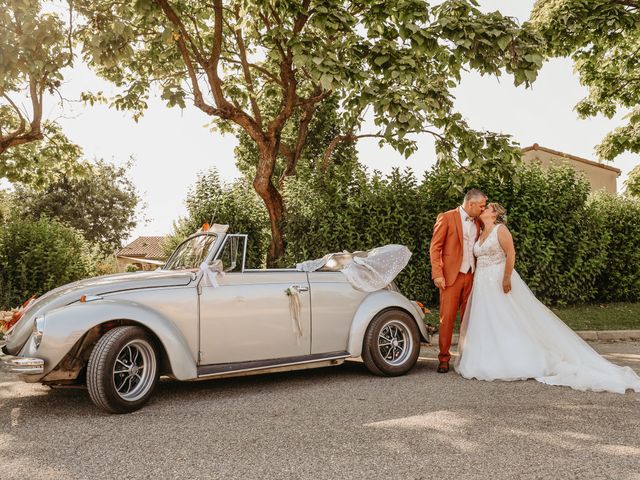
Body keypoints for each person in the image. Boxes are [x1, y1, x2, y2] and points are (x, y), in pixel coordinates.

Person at [455, 203, 640, 394]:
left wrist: (507, 277)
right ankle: (486, 357)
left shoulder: (500, 230)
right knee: (486, 320)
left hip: (498, 278)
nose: (482, 209)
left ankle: (518, 357)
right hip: (482, 283)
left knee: (507, 318)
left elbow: (510, 253)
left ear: (494, 214)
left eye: (487, 208)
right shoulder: (481, 231)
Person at [429, 189, 486, 373]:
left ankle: (466, 356)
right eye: (481, 206)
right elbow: (435, 247)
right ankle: (444, 358)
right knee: (447, 318)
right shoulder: (446, 217)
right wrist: (437, 273)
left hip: (472, 275)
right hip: (450, 277)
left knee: (468, 318)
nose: (483, 210)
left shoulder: (479, 222)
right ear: (471, 204)